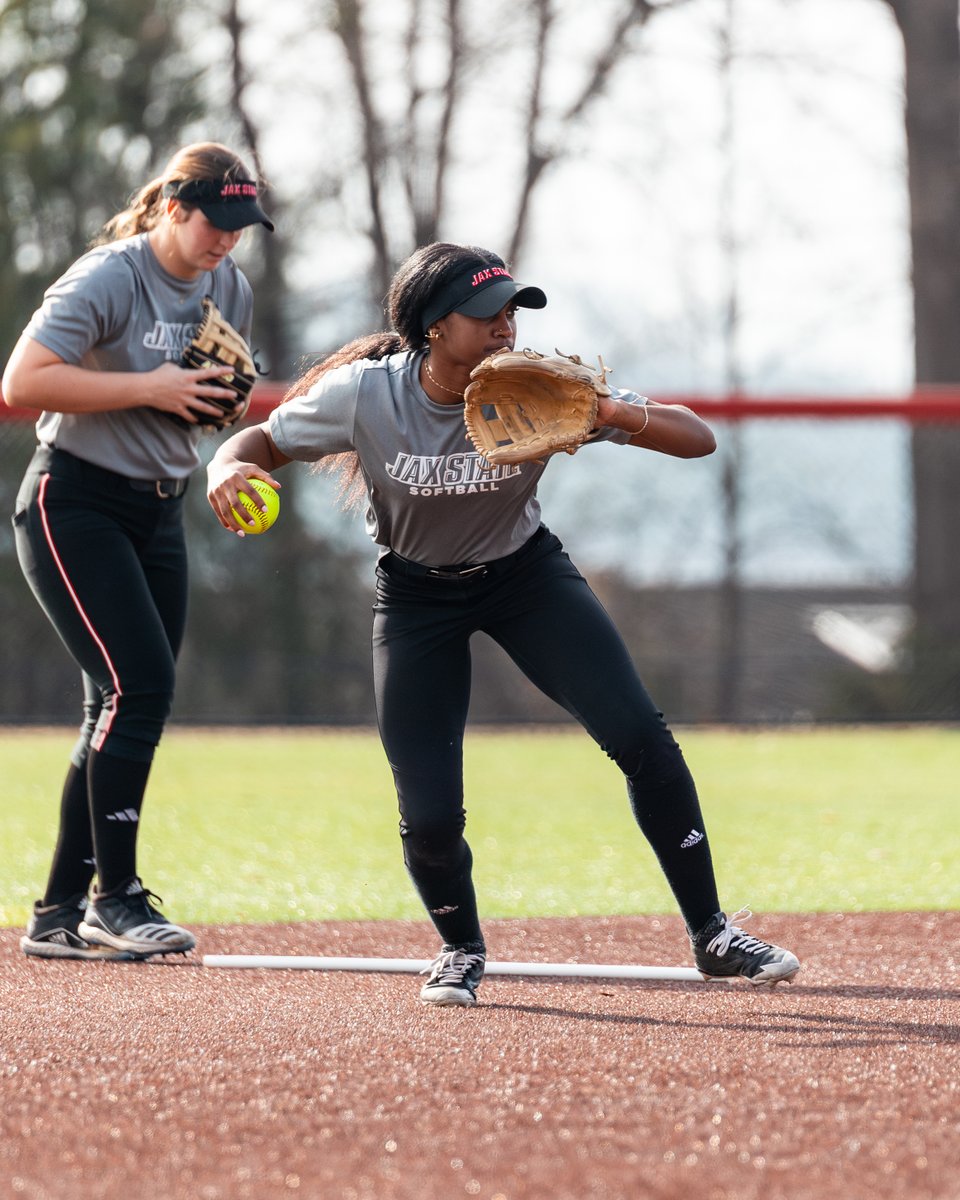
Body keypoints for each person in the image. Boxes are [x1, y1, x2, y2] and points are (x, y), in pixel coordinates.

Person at [206, 241, 800, 1005]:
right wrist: (228, 468)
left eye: (512, 309)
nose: (505, 327)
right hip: (416, 598)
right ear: (432, 326)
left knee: (642, 740)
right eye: (486, 313)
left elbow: (698, 437)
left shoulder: (538, 388)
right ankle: (460, 949)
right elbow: (259, 441)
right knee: (426, 813)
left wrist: (609, 412)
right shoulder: (364, 396)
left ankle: (714, 934)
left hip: (525, 579)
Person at [4, 141, 274, 961]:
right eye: (214, 223)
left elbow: (209, 401)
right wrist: (151, 386)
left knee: (113, 703)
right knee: (142, 685)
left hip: (161, 509)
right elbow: (22, 381)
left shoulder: (229, 286)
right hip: (73, 501)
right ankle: (112, 899)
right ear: (172, 209)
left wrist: (220, 401)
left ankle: (56, 914)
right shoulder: (109, 277)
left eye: (240, 226)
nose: (226, 240)